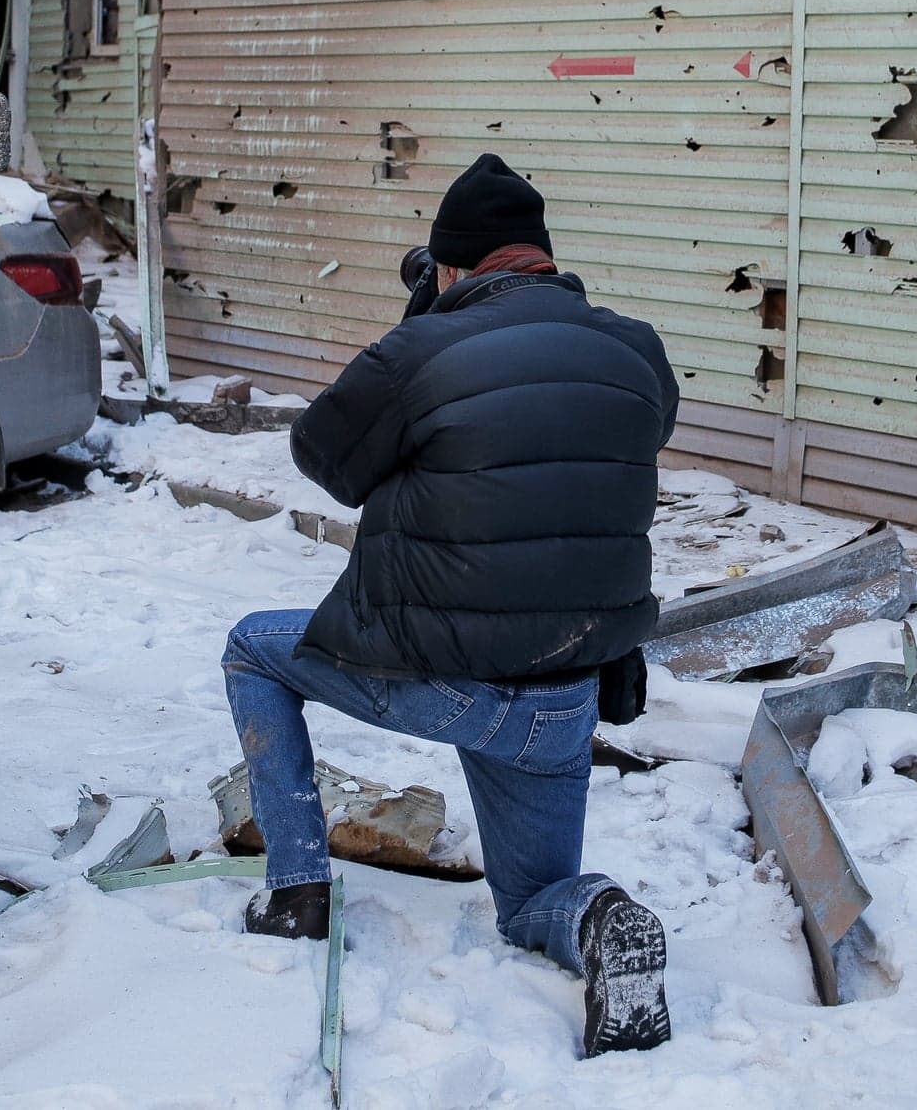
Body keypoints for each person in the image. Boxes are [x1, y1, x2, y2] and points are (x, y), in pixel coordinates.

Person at [220, 153, 679, 1057]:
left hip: (445, 679)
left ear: (452, 266)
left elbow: (326, 455)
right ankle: (601, 919)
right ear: (542, 257)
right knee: (530, 904)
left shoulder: (418, 350)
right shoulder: (637, 349)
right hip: (567, 695)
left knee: (252, 648)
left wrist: (418, 324)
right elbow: (615, 425)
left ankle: (298, 888)